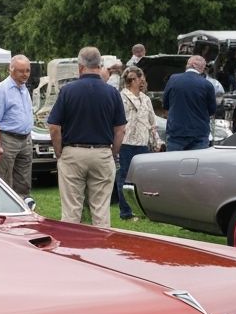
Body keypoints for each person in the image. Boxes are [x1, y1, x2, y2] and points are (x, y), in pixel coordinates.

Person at [46, 46, 126, 227]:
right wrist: (113, 152)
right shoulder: (112, 93)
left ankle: (71, 249)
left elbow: (53, 127)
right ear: (100, 65)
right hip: (102, 152)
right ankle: (100, 250)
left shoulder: (68, 90)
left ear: (80, 66)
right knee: (101, 209)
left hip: (73, 152)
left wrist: (59, 151)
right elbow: (120, 129)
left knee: (71, 210)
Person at [115, 65, 163, 219]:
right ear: (130, 80)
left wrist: (156, 141)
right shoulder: (120, 97)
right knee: (124, 176)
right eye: (137, 78)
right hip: (126, 142)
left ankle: (144, 210)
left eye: (141, 77)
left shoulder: (146, 98)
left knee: (143, 179)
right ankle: (126, 212)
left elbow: (152, 122)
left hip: (143, 143)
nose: (141, 80)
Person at [0, 54, 34, 196]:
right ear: (11, 70)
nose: (25, 74)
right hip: (8, 139)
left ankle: (23, 207)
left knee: (24, 179)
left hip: (25, 139)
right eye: (21, 71)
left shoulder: (24, 88)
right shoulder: (1, 89)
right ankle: (5, 209)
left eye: (27, 70)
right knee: (4, 178)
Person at [162, 54, 217, 151]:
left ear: (189, 65)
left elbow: (165, 104)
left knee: (173, 164)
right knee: (198, 164)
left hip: (176, 132)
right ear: (202, 68)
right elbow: (212, 110)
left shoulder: (173, 79)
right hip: (199, 133)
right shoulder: (207, 85)